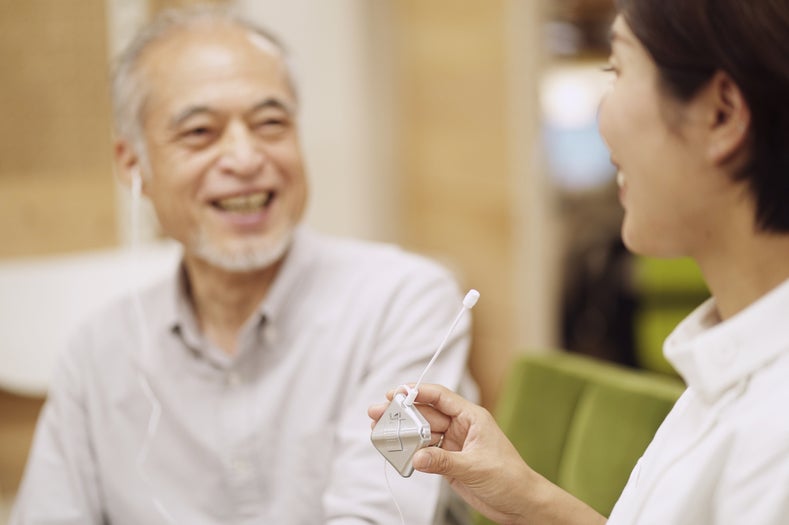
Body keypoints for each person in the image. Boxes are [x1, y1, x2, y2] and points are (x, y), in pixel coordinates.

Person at [12, 6, 475, 525]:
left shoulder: (402, 302)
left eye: (270, 124)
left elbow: (376, 515)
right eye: (200, 132)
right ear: (132, 162)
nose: (245, 158)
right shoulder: (97, 354)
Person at [371, 0, 789, 523]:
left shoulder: (773, 433)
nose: (599, 119)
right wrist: (526, 498)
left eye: (617, 70)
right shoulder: (727, 370)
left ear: (721, 114)